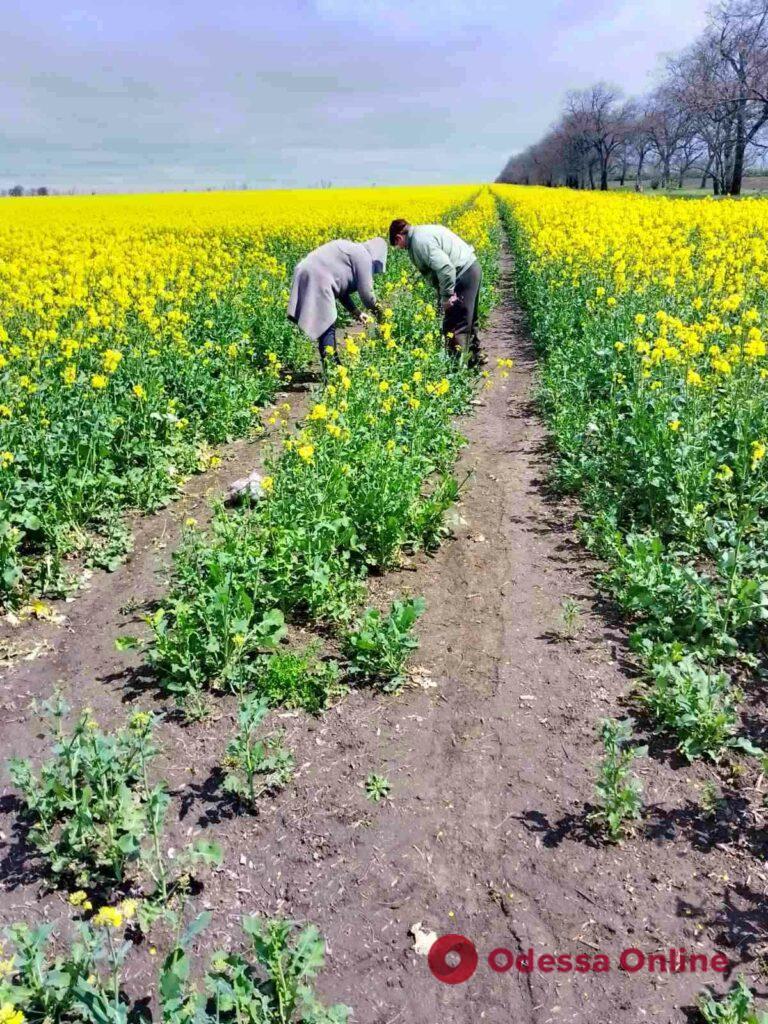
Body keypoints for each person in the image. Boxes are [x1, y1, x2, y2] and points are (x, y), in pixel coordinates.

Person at [389, 218, 482, 364]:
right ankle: (475, 358)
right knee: (468, 317)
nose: (401, 248)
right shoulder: (421, 233)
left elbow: (446, 269)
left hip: (463, 274)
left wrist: (446, 297)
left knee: (456, 324)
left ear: (399, 237)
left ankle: (455, 369)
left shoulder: (419, 242)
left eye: (398, 245)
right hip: (471, 268)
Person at [287, 237, 386, 367]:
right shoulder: (363, 256)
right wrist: (380, 313)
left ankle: (334, 367)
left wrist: (356, 311)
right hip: (317, 277)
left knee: (325, 325)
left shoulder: (353, 250)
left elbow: (340, 287)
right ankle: (332, 371)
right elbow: (367, 294)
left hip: (305, 271)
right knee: (327, 325)